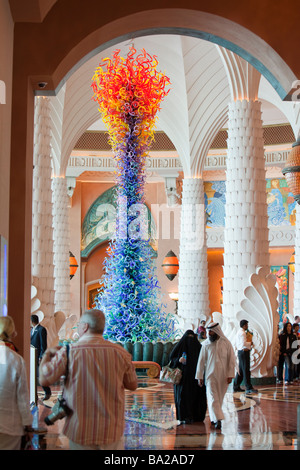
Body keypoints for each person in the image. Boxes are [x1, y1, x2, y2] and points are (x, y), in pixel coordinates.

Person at [39, 308, 138, 450]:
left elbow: (44, 380)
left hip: (80, 430)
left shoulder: (69, 352)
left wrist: (48, 354)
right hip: (111, 430)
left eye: (79, 324)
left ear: (85, 326)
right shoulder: (120, 353)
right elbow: (133, 384)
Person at [0, 316, 33, 450]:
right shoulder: (16, 360)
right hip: (10, 425)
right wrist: (28, 424)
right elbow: (22, 397)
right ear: (13, 332)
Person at [195, 322, 235, 430]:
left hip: (223, 376)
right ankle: (218, 419)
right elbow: (201, 361)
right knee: (213, 398)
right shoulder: (205, 344)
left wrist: (230, 374)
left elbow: (231, 359)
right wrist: (200, 376)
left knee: (219, 398)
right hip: (210, 375)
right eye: (208, 331)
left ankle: (214, 418)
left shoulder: (226, 343)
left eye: (211, 331)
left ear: (216, 331)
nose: (209, 333)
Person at [169, 330, 207, 424]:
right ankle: (184, 416)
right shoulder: (180, 347)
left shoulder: (199, 348)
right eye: (188, 337)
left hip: (195, 378)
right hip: (183, 379)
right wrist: (178, 360)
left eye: (192, 337)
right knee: (183, 397)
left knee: (196, 397)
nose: (190, 340)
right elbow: (172, 358)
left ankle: (195, 415)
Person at [233, 319, 258, 394]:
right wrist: (250, 343)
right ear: (244, 325)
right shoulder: (243, 333)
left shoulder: (239, 332)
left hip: (241, 353)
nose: (247, 326)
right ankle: (248, 387)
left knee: (241, 370)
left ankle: (236, 386)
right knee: (246, 370)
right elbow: (243, 344)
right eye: (246, 325)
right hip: (244, 352)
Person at [30, 314, 51, 400]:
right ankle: (34, 394)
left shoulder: (41, 329)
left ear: (32, 321)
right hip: (32, 356)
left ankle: (47, 392)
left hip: (38, 357)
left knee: (41, 375)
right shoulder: (32, 330)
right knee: (34, 375)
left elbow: (43, 344)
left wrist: (41, 356)